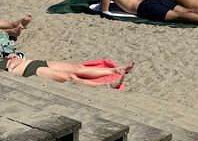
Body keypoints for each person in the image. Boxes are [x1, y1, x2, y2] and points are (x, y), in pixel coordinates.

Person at [0, 54, 135, 87]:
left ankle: (115, 71)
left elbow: (14, 57)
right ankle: (105, 85)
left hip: (30, 62)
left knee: (78, 68)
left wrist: (13, 58)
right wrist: (11, 68)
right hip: (27, 72)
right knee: (71, 77)